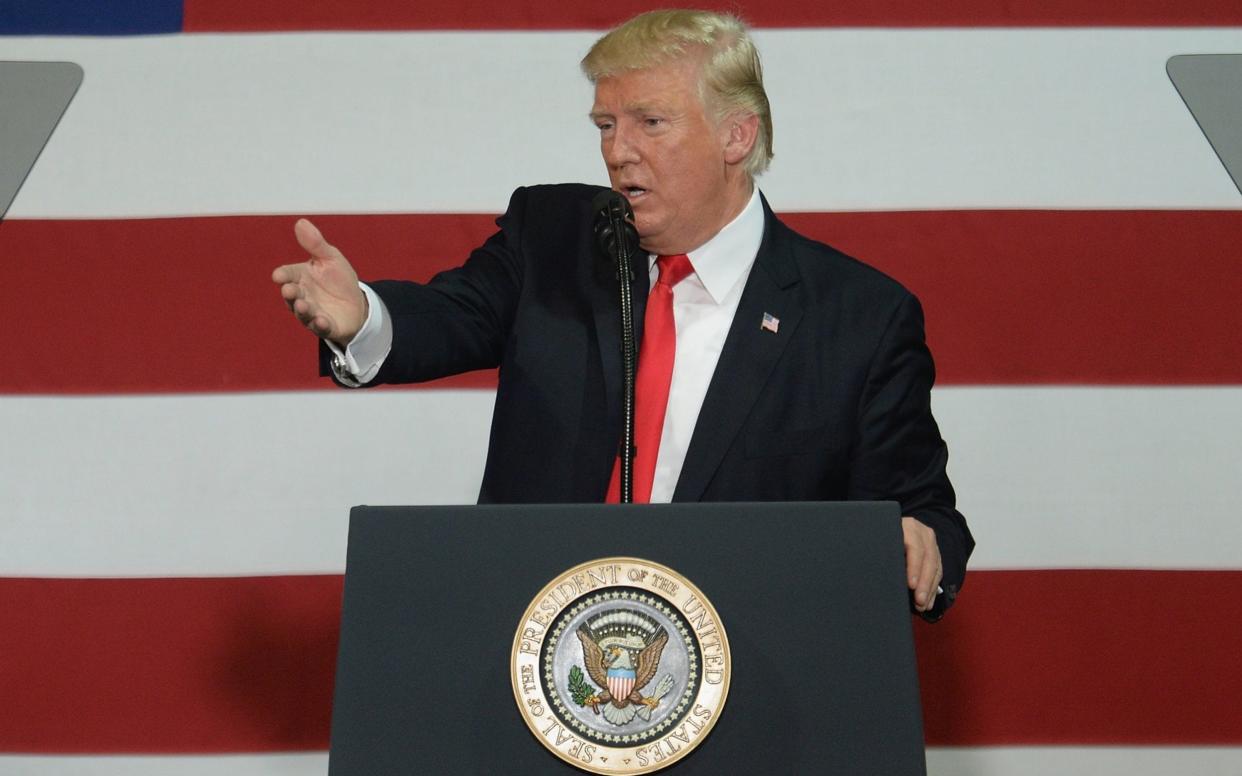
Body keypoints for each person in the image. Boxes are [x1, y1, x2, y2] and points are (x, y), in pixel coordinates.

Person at [272, 9, 973, 620]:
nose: (616, 150)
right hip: (535, 655)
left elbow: (924, 512)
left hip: (745, 676)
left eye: (650, 123)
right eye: (606, 124)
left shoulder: (856, 318)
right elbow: (449, 316)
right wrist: (362, 315)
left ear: (736, 136)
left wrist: (918, 542)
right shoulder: (554, 237)